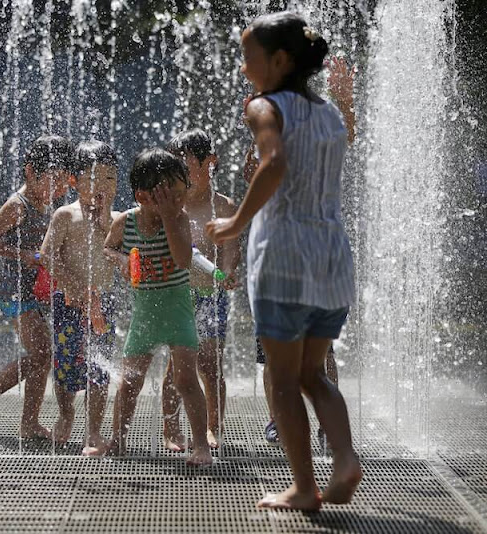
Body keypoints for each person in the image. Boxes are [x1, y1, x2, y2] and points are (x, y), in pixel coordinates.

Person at [206, 12, 361, 510]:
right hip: (333, 257)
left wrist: (234, 224)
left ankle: (302, 487)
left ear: (278, 60)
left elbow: (274, 165)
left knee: (281, 378)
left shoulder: (264, 107)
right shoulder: (332, 116)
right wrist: (346, 95)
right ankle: (344, 458)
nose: (243, 67)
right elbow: (337, 144)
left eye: (249, 57)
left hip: (285, 257)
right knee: (314, 375)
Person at [249, 56, 356, 447]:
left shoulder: (278, 112)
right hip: (316, 254)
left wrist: (236, 222)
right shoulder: (276, 116)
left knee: (296, 356)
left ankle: (320, 435)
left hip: (286, 258)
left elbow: (345, 133)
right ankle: (310, 433)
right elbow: (257, 170)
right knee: (298, 358)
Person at [102, 148, 212, 466]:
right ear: (144, 196)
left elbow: (181, 259)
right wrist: (121, 258)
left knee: (186, 380)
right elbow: (109, 246)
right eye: (171, 195)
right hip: (146, 311)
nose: (179, 201)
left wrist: (168, 216)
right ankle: (118, 440)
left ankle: (201, 445)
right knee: (130, 382)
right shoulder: (127, 222)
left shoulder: (178, 219)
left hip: (177, 310)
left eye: (181, 193)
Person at [0, 135, 73, 439]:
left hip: (36, 290)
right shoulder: (18, 205)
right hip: (14, 292)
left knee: (44, 355)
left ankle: (29, 423)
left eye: (61, 182)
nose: (57, 189)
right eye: (51, 181)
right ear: (30, 172)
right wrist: (26, 255)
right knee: (42, 353)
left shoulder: (47, 203)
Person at [160, 129, 240, 452]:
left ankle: (213, 427)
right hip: (178, 296)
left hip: (211, 295)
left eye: (188, 163)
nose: (182, 171)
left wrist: (230, 271)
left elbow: (232, 248)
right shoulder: (173, 207)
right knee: (175, 367)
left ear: (211, 163)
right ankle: (171, 428)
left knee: (209, 364)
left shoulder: (222, 206)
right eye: (176, 164)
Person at [39, 140, 119, 455]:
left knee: (99, 365)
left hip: (103, 302)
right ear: (73, 180)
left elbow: (123, 255)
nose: (102, 186)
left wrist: (105, 225)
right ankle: (66, 412)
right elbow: (46, 255)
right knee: (66, 364)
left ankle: (95, 430)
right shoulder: (65, 215)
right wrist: (72, 282)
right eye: (94, 178)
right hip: (69, 301)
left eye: (110, 179)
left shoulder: (116, 219)